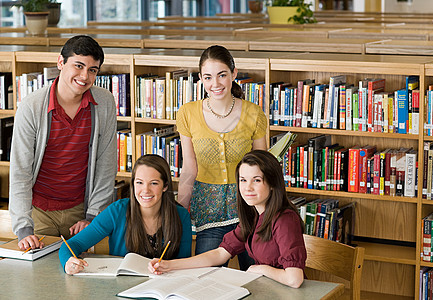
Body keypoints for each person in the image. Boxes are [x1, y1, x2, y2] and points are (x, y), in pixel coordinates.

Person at [9, 35, 117, 251]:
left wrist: (92, 216)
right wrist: (24, 228)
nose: (84, 76)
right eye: (78, 65)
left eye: (93, 70)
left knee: (80, 274)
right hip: (38, 212)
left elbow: (106, 165)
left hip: (80, 211)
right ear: (61, 62)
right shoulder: (31, 106)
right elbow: (20, 171)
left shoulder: (104, 102)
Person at [149, 150, 306, 288]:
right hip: (269, 289)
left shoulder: (285, 220)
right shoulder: (253, 216)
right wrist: (169, 265)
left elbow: (294, 279)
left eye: (256, 180)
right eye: (243, 180)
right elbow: (219, 254)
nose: (247, 187)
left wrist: (260, 269)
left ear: (272, 183)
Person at [176, 45, 267, 268]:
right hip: (208, 214)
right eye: (208, 77)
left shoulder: (254, 113)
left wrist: (268, 214)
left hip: (250, 211)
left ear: (234, 74)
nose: (215, 84)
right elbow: (189, 168)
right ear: (201, 79)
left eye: (222, 75)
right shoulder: (187, 113)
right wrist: (179, 212)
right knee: (207, 279)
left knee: (257, 277)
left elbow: (263, 170)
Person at [60, 154, 192, 275]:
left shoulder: (181, 216)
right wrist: (68, 262)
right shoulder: (117, 211)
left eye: (154, 183)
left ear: (165, 186)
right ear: (133, 184)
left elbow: (184, 263)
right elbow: (71, 245)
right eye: (139, 182)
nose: (145, 190)